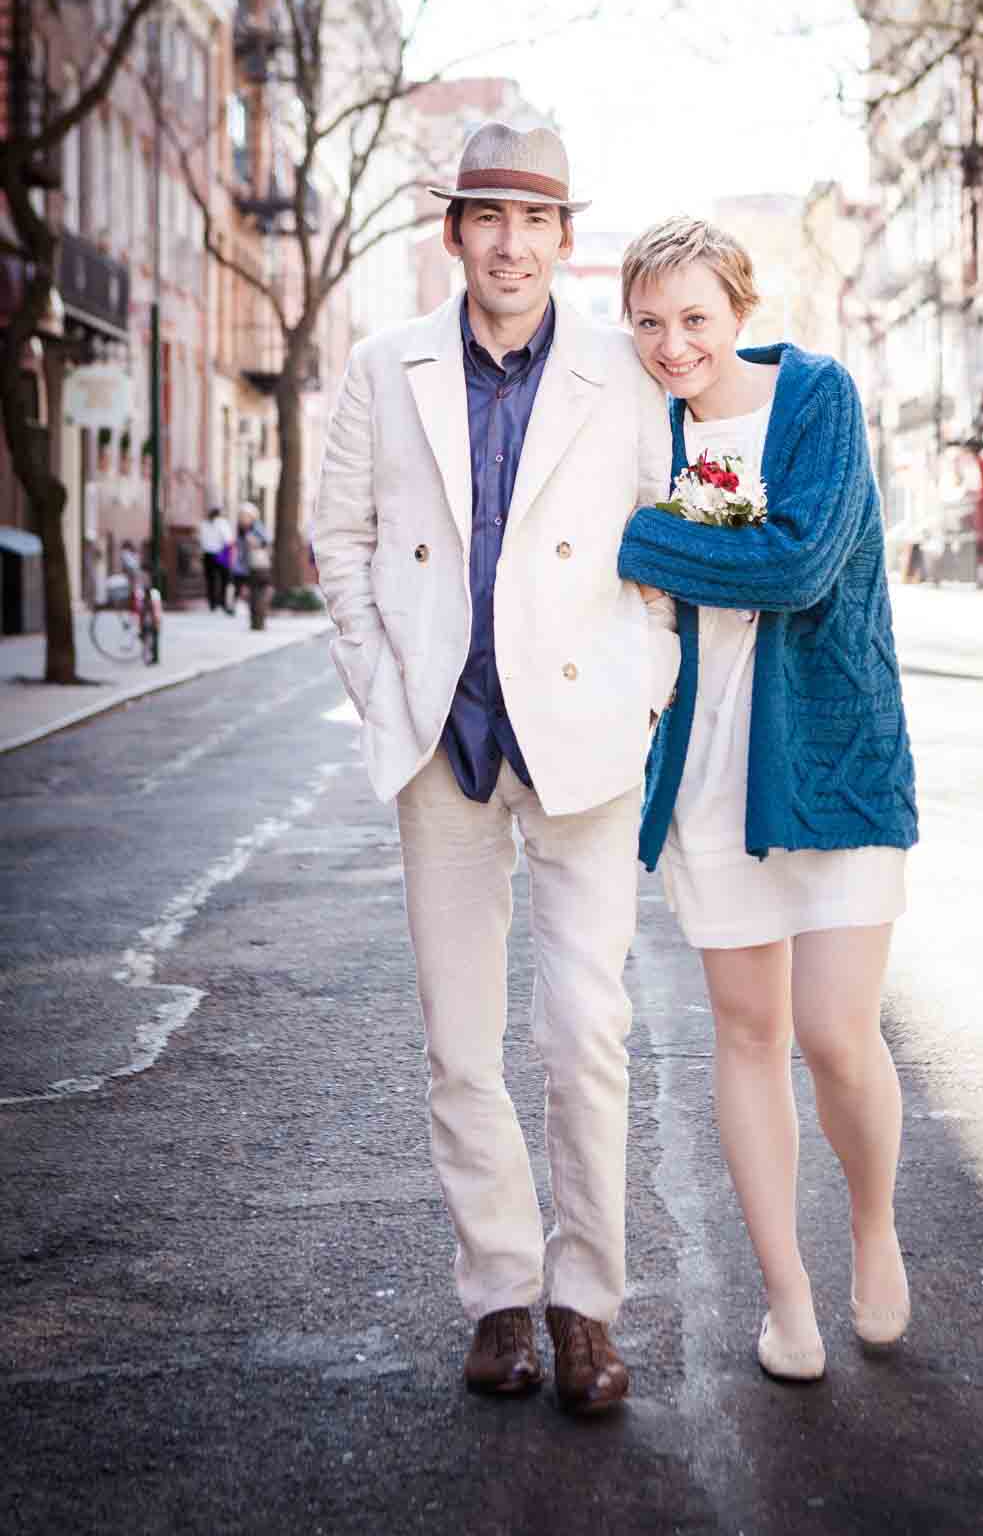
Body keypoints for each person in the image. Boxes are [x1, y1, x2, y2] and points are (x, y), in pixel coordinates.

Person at [313, 124, 679, 1414]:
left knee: (586, 1032)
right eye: (487, 218)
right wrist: (390, 687)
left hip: (580, 743)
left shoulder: (621, 375)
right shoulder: (383, 365)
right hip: (442, 747)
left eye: (534, 221)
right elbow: (339, 540)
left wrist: (646, 691)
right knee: (461, 1044)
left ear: (563, 240)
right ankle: (501, 1299)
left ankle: (588, 1306)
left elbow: (667, 551)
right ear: (454, 232)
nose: (511, 244)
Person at [616, 218, 918, 1383]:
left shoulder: (817, 399)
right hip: (705, 773)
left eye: (694, 317)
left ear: (738, 309)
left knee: (838, 1034)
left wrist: (647, 539)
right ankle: (786, 1297)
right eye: (649, 322)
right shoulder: (645, 423)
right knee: (748, 1035)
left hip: (834, 759)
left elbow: (799, 565)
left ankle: (873, 1226)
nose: (673, 344)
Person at [200, 505, 234, 614]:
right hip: (216, 553)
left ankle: (215, 603)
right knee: (219, 579)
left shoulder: (207, 524)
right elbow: (228, 539)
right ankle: (219, 603)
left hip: (213, 553)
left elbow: (201, 539)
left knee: (214, 579)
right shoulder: (219, 523)